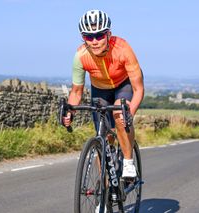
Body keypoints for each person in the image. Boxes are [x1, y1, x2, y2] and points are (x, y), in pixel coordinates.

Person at [63, 9, 144, 179]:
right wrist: (70, 110)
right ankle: (104, 191)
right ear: (83, 37)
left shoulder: (123, 49)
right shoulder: (80, 56)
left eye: (99, 35)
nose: (94, 41)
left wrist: (130, 112)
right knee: (103, 137)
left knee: (119, 114)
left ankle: (128, 162)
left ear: (108, 34)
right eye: (88, 36)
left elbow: (138, 89)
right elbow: (76, 92)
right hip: (100, 90)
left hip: (124, 85)